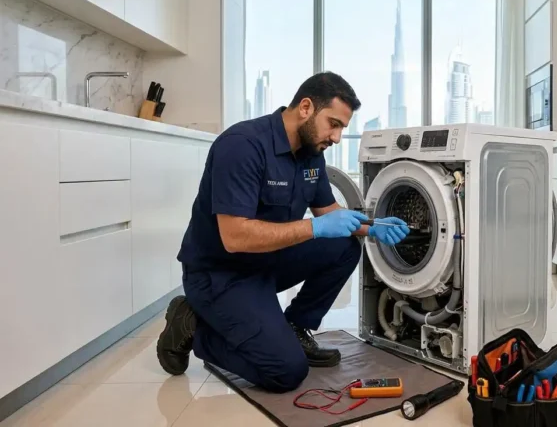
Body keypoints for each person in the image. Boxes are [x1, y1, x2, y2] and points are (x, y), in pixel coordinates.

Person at [156, 72, 410, 393]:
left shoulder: (310, 154)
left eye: (342, 129)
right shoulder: (242, 145)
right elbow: (234, 237)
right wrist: (314, 228)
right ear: (305, 108)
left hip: (266, 262)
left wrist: (372, 226)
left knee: (345, 245)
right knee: (285, 372)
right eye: (333, 124)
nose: (336, 137)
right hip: (220, 273)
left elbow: (328, 213)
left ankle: (295, 327)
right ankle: (193, 326)